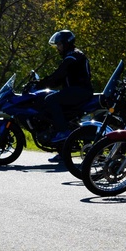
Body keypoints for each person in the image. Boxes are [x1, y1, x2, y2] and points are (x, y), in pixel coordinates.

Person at [35, 29, 93, 163]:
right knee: (58, 110)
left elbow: (58, 75)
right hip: (76, 91)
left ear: (66, 44)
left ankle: (64, 132)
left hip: (80, 91)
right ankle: (63, 152)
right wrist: (43, 83)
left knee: (50, 99)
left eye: (59, 45)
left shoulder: (73, 57)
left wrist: (40, 84)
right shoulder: (72, 56)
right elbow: (60, 79)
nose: (58, 48)